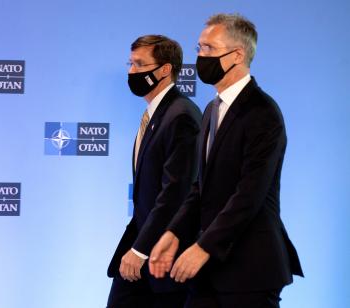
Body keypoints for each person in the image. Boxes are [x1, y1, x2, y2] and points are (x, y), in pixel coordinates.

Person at [149, 14, 303, 308]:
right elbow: (200, 188)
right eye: (198, 48)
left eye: (209, 48)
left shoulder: (263, 113)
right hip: (209, 272)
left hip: (251, 270)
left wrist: (203, 247)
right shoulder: (210, 110)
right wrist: (173, 233)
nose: (200, 56)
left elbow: (250, 194)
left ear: (237, 55)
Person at [106, 35, 202, 308]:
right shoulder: (157, 113)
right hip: (143, 244)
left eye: (139, 64)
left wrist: (141, 249)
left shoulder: (181, 115)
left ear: (164, 69)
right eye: (130, 63)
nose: (131, 71)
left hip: (163, 256)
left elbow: (175, 193)